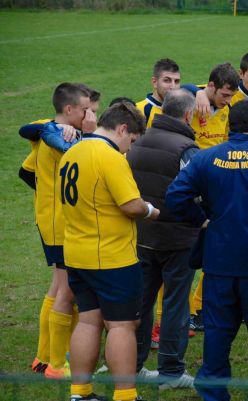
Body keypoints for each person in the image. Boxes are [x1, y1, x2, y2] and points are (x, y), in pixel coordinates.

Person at [166, 99, 248, 401]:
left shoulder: (206, 159)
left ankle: (213, 394)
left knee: (218, 334)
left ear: (229, 125)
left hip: (218, 262)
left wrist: (203, 220)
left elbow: (175, 197)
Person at [61, 102, 158, 401]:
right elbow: (131, 205)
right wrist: (151, 210)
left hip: (77, 253)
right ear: (122, 129)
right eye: (131, 141)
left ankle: (80, 392)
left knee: (89, 320)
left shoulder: (72, 151)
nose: (129, 148)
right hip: (111, 257)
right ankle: (126, 395)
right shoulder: (110, 157)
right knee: (122, 325)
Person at [127, 89, 201, 389]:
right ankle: (171, 370)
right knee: (175, 304)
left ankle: (132, 366)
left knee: (141, 303)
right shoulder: (187, 149)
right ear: (187, 115)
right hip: (177, 239)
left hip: (142, 236)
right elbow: (195, 195)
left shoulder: (138, 141)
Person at [31, 83, 94, 380]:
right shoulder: (56, 137)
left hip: (54, 221)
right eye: (86, 109)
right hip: (60, 225)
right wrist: (91, 135)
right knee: (67, 292)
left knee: (58, 288)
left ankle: (44, 356)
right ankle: (57, 364)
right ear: (69, 110)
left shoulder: (56, 132)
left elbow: (25, 170)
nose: (91, 113)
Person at [136, 58, 181, 127]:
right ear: (155, 82)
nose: (173, 87)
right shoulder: (139, 111)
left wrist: (199, 92)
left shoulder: (183, 107)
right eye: (167, 80)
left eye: (176, 81)